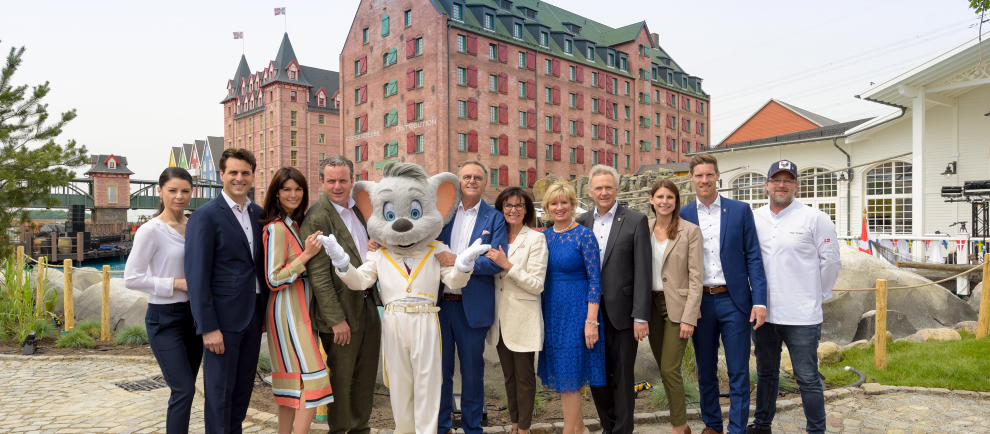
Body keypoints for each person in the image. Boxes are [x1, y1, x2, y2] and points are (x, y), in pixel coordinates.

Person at [747, 161, 841, 434]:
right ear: (767, 184)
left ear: (796, 185)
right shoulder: (755, 218)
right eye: (776, 179)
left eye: (787, 180)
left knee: (808, 378)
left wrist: (816, 294)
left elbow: (831, 262)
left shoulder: (815, 218)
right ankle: (762, 425)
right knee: (766, 373)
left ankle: (816, 430)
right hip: (764, 313)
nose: (781, 185)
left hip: (802, 315)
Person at [679, 153, 768, 434]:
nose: (704, 180)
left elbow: (753, 256)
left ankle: (737, 428)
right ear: (691, 179)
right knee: (706, 371)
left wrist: (760, 301)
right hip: (700, 303)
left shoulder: (740, 211)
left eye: (709, 174)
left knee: (738, 370)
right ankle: (713, 425)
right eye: (699, 175)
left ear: (717, 176)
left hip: (734, 301)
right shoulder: (683, 214)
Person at [185, 148, 267, 434]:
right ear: (222, 175)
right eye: (233, 172)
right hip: (221, 322)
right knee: (219, 396)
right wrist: (208, 327)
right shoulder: (205, 217)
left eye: (245, 173)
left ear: (253, 176)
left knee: (242, 392)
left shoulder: (259, 214)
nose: (239, 178)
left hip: (253, 318)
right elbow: (197, 277)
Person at [300, 156, 381, 434]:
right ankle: (340, 430)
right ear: (322, 181)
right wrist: (335, 320)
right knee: (342, 382)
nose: (337, 186)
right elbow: (319, 276)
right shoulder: (318, 216)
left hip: (368, 304)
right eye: (331, 180)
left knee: (365, 377)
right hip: (342, 313)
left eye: (343, 180)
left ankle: (361, 429)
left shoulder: (359, 210)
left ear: (351, 181)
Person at [124, 167, 200, 434]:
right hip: (164, 319)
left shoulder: (193, 226)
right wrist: (176, 284)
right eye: (173, 190)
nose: (179, 196)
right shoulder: (150, 230)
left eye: (185, 191)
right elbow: (131, 278)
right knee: (183, 388)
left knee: (187, 390)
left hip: (194, 318)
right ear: (160, 191)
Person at [576, 165, 651, 434]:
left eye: (609, 187)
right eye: (599, 188)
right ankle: (607, 428)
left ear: (617, 189)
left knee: (622, 376)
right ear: (590, 191)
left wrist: (641, 316)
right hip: (590, 315)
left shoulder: (635, 220)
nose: (604, 192)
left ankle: (622, 430)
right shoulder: (582, 222)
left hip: (623, 314)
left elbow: (643, 270)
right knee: (597, 376)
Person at [260, 167, 335, 433]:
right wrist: (306, 256)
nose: (293, 194)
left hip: (301, 310)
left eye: (298, 189)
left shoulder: (296, 224)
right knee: (313, 379)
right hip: (287, 310)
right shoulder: (276, 228)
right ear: (276, 194)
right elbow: (273, 278)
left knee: (293, 381)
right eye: (287, 189)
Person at [437, 161, 508, 434]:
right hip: (441, 307)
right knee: (441, 374)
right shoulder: (443, 214)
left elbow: (494, 263)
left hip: (472, 308)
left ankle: (472, 428)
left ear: (484, 182)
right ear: (459, 180)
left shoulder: (494, 218)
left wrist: (458, 261)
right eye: (466, 176)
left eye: (477, 177)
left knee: (472, 375)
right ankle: (442, 427)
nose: (471, 181)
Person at [538, 180, 605, 434]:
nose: (559, 207)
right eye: (554, 203)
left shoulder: (584, 236)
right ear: (547, 207)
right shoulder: (544, 237)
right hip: (552, 312)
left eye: (564, 202)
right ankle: (578, 430)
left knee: (570, 376)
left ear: (573, 204)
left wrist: (591, 321)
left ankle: (570, 430)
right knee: (566, 378)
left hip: (578, 314)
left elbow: (595, 281)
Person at [484, 187, 548, 434]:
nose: (513, 210)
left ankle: (524, 428)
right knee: (509, 378)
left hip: (523, 318)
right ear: (501, 209)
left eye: (519, 205)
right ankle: (513, 424)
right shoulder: (494, 237)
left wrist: (507, 264)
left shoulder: (535, 238)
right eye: (508, 206)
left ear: (526, 210)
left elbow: (536, 284)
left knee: (524, 378)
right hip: (499, 319)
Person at [645, 179, 703, 434]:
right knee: (663, 367)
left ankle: (680, 427)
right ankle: (681, 423)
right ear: (651, 200)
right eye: (660, 197)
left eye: (670, 197)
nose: (664, 201)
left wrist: (690, 317)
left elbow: (696, 277)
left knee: (670, 368)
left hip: (677, 307)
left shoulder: (689, 231)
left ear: (676, 201)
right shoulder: (643, 228)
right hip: (650, 306)